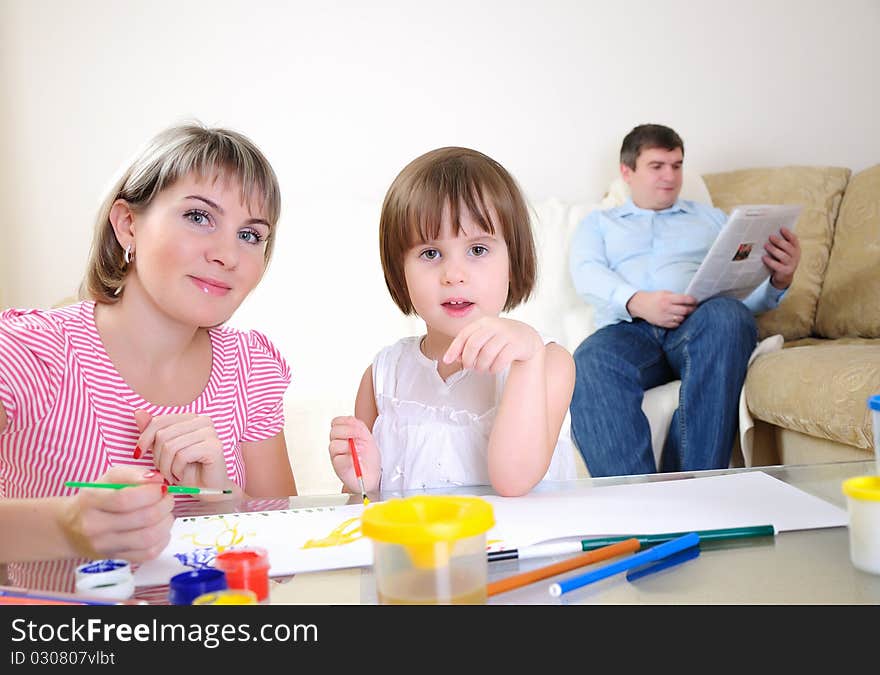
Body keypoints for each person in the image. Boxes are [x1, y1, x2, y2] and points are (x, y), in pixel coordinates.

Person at [0, 122, 297, 580]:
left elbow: (286, 562)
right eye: (199, 217)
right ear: (128, 225)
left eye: (251, 235)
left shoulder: (252, 368)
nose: (228, 255)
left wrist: (222, 499)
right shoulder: (29, 350)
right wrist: (69, 526)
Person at [329, 147, 577, 497]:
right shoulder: (382, 376)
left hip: (520, 551)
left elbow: (514, 480)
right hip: (415, 552)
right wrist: (362, 484)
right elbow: (362, 512)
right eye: (430, 253)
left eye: (477, 250)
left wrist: (529, 356)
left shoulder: (547, 362)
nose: (454, 275)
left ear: (514, 259)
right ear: (399, 271)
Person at [568, 124, 801, 477]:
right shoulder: (598, 223)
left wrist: (778, 280)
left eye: (677, 166)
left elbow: (742, 295)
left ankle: (693, 486)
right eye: (657, 166)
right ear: (626, 172)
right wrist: (637, 301)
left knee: (730, 316)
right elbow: (586, 272)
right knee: (589, 361)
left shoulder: (712, 219)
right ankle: (635, 501)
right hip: (629, 331)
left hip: (698, 327)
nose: (670, 176)